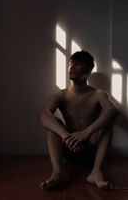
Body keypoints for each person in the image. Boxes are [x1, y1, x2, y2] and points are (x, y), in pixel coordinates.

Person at [38, 50, 118, 190]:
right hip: (69, 147)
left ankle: (96, 172)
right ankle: (58, 172)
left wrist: (86, 133)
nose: (72, 67)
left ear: (87, 70)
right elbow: (43, 114)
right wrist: (65, 135)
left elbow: (113, 111)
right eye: (70, 64)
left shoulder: (98, 94)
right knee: (54, 124)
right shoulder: (60, 95)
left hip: (92, 150)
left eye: (77, 64)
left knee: (107, 124)